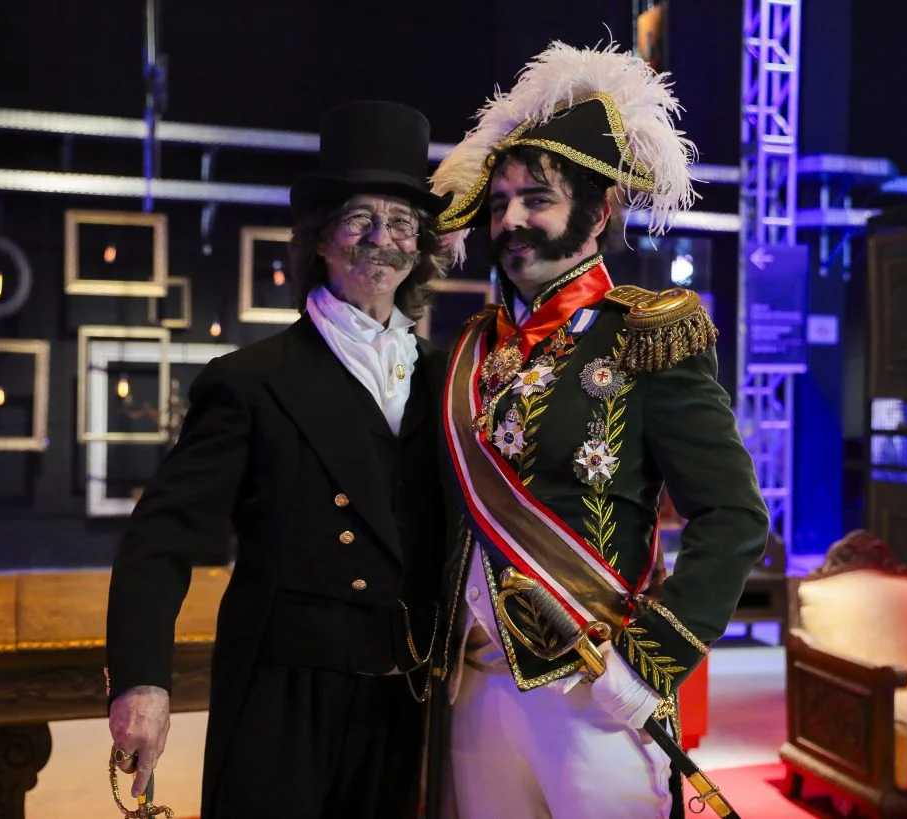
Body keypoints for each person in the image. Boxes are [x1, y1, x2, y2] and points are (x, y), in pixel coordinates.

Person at [426, 41, 770, 819]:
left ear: (600, 209)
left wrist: (650, 662)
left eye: (536, 198)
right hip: (475, 690)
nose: (511, 220)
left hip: (595, 694)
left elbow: (735, 516)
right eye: (499, 202)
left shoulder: (648, 335)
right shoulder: (471, 349)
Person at [106, 100, 451, 819]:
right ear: (320, 237)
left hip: (406, 695)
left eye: (401, 222)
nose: (380, 239)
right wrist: (142, 680)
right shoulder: (250, 381)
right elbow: (161, 536)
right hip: (282, 696)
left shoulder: (447, 379)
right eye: (359, 218)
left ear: (419, 247)